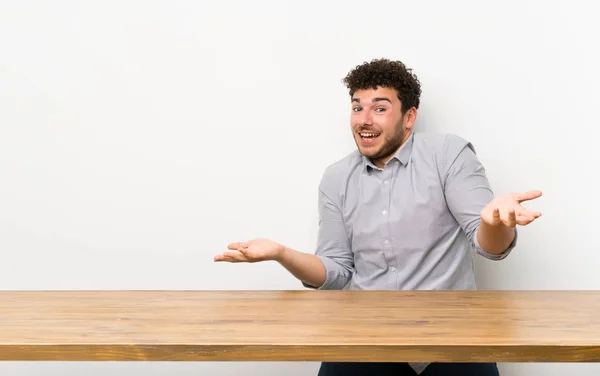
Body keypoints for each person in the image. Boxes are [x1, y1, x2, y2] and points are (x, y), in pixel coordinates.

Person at [214, 58, 542, 376]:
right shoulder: (336, 177)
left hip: (451, 339)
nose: (364, 120)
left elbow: (491, 247)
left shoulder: (447, 154)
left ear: (409, 117)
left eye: (380, 108)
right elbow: (336, 271)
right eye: (357, 107)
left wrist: (492, 222)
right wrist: (281, 254)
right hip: (362, 339)